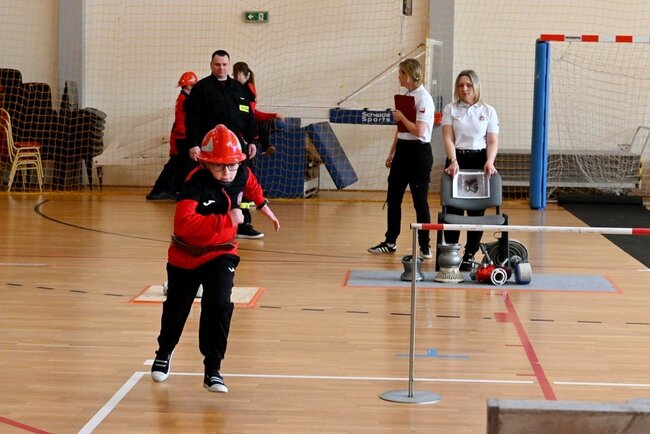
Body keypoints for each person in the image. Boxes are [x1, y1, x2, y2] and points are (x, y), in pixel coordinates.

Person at [151, 124, 280, 393]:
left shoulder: (240, 172)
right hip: (186, 255)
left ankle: (212, 369)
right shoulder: (194, 183)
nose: (227, 173)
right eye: (220, 166)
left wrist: (263, 206)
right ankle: (164, 352)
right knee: (176, 308)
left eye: (232, 166)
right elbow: (183, 225)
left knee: (219, 305)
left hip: (222, 253)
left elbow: (251, 183)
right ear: (207, 163)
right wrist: (226, 219)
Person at [185, 49, 264, 239]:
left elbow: (249, 116)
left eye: (224, 64)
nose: (221, 68)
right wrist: (193, 144)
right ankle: (213, 223)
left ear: (229, 66)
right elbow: (192, 119)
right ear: (211, 65)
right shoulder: (201, 89)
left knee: (241, 183)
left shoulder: (239, 89)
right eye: (217, 64)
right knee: (211, 185)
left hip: (236, 147)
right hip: (210, 148)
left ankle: (243, 224)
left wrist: (252, 140)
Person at [368, 58, 435, 259]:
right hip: (403, 151)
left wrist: (402, 117)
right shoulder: (406, 96)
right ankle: (390, 241)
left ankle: (425, 246)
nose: (398, 77)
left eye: (401, 73)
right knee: (394, 198)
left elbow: (418, 131)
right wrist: (392, 152)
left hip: (419, 153)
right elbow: (401, 131)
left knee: (420, 202)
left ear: (409, 75)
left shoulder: (424, 99)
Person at [440, 69, 499, 270]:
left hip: (479, 161)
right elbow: (448, 138)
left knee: (476, 212)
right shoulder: (450, 109)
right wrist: (453, 160)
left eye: (468, 85)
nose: (464, 89)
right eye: (460, 85)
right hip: (457, 160)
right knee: (453, 209)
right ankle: (451, 253)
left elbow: (492, 141)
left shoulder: (488, 111)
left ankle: (469, 254)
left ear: (476, 87)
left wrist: (490, 161)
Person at [147, 71, 198, 201]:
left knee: (178, 165)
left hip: (181, 136)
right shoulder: (186, 100)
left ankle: (165, 190)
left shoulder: (182, 97)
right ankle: (167, 190)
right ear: (189, 86)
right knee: (180, 165)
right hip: (183, 137)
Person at [232, 61, 285, 156]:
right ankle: (265, 145)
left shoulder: (247, 87)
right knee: (260, 129)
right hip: (244, 125)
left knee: (260, 129)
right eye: (234, 74)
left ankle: (264, 145)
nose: (234, 76)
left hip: (246, 125)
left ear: (241, 73)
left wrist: (273, 115)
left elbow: (251, 111)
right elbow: (251, 111)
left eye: (235, 74)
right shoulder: (240, 87)